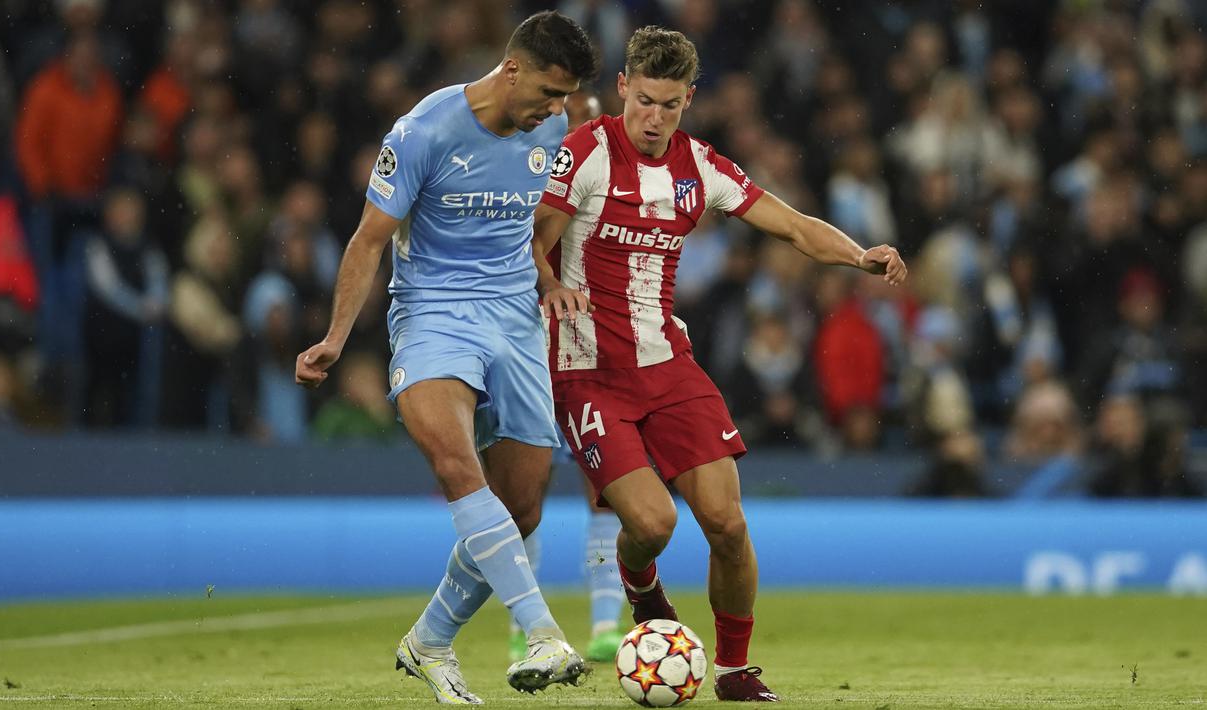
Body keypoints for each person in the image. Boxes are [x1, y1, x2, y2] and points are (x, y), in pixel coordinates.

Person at [531, 26, 907, 702]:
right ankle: (640, 586)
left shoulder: (699, 165)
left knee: (728, 525)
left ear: (688, 100)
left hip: (669, 366)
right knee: (651, 525)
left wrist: (858, 255)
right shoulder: (583, 153)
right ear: (621, 88)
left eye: (669, 105)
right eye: (644, 101)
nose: (653, 119)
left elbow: (791, 225)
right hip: (587, 372)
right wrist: (550, 285)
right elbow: (532, 241)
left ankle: (734, 670)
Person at [294, 11, 598, 704]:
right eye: (549, 93)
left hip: (516, 321)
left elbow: (546, 217)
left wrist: (548, 276)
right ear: (510, 68)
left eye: (565, 98)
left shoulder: (555, 124)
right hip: (434, 318)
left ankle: (428, 640)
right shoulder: (422, 131)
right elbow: (369, 239)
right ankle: (543, 631)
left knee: (521, 509)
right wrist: (337, 337)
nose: (556, 110)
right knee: (459, 466)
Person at [505, 87, 628, 666]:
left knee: (603, 489)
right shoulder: (526, 163)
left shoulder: (606, 165)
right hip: (530, 337)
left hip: (588, 338)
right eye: (569, 114)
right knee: (525, 491)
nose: (579, 127)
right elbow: (517, 243)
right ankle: (523, 619)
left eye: (587, 116)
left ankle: (606, 620)